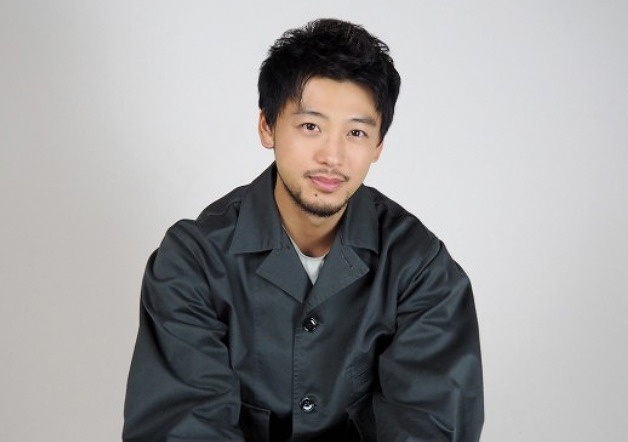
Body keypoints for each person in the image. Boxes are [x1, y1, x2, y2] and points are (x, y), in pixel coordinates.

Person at [123, 18, 483, 442]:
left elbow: (432, 425)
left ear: (378, 145)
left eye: (356, 132)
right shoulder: (193, 261)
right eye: (311, 126)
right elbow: (180, 428)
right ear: (267, 126)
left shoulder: (419, 267)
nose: (332, 156)